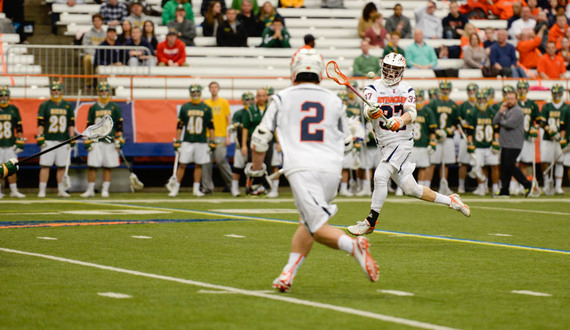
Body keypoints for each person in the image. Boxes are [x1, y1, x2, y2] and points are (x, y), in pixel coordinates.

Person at [245, 48, 380, 292]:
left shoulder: (282, 98)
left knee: (317, 228)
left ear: (294, 71)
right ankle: (288, 273)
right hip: (332, 170)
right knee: (307, 222)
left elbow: (260, 138)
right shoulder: (334, 101)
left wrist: (256, 174)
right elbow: (347, 143)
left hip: (301, 168)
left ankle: (354, 247)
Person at [346, 53, 470, 237]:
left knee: (380, 176)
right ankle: (452, 201)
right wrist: (372, 112)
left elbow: (411, 113)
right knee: (411, 189)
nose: (390, 72)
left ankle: (370, 221)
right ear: (382, 67)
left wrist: (399, 121)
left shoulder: (406, 88)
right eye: (388, 67)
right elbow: (367, 111)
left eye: (395, 69)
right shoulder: (373, 87)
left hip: (402, 141)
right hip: (384, 145)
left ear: (401, 71)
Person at [169, 84, 214, 197]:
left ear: (200, 93)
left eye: (197, 92)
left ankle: (196, 189)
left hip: (201, 140)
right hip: (187, 140)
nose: (195, 94)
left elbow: (211, 126)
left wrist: (212, 141)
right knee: (182, 164)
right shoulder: (185, 107)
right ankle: (176, 188)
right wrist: (178, 140)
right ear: (190, 93)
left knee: (199, 165)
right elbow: (180, 125)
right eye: (193, 92)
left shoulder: (206, 108)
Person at [81, 82, 124, 198]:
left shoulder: (114, 107)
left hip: (109, 140)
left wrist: (119, 138)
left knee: (108, 165)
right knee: (92, 165)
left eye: (105, 91)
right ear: (98, 92)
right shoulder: (93, 107)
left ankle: (105, 189)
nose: (104, 93)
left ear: (109, 92)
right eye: (101, 91)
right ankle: (90, 189)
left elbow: (119, 125)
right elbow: (89, 125)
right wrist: (88, 139)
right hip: (96, 140)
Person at [36, 81, 75, 198]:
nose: (56, 92)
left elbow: (71, 124)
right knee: (45, 165)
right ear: (51, 91)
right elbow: (40, 123)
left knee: (62, 166)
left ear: (61, 91)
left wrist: (71, 137)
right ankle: (42, 190)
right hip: (48, 139)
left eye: (58, 90)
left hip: (63, 139)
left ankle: (61, 190)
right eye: (54, 90)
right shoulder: (45, 105)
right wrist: (40, 136)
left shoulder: (67, 106)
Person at [493, 86, 534, 198]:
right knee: (504, 166)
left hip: (514, 143)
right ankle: (504, 190)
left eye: (512, 99)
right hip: (505, 143)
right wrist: (501, 111)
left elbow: (509, 124)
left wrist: (501, 119)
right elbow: (495, 121)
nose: (509, 101)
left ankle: (527, 183)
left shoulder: (518, 111)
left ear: (516, 100)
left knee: (509, 165)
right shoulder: (505, 110)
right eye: (508, 98)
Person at [426, 80, 459, 195]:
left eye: (447, 89)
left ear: (450, 90)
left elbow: (457, 122)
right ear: (440, 89)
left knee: (446, 164)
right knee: (432, 163)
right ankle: (427, 186)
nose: (445, 91)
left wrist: (450, 130)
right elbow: (428, 119)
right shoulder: (433, 103)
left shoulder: (453, 105)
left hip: (448, 138)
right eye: (443, 89)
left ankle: (443, 185)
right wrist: (435, 131)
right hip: (436, 137)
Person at [465, 91, 500, 196]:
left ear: (486, 99)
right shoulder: (472, 112)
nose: (481, 101)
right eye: (479, 99)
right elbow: (469, 131)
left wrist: (496, 141)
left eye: (483, 99)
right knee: (479, 167)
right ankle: (482, 187)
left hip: (490, 144)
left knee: (494, 166)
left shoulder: (492, 112)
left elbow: (497, 129)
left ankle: (495, 187)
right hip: (478, 145)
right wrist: (470, 143)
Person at [202, 81, 233, 194]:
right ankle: (207, 187)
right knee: (206, 163)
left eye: (215, 87)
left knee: (221, 160)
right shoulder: (205, 103)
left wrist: (228, 136)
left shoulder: (224, 102)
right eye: (212, 87)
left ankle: (232, 184)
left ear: (218, 89)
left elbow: (229, 119)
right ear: (209, 89)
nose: (214, 89)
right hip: (207, 136)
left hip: (221, 135)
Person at [230, 92, 262, 196]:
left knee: (253, 168)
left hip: (254, 143)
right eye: (247, 99)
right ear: (243, 100)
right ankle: (234, 188)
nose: (249, 102)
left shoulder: (256, 112)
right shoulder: (239, 113)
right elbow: (234, 125)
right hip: (241, 143)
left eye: (251, 99)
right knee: (237, 167)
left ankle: (250, 188)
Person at [538, 84, 567, 195]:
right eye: (554, 93)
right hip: (548, 138)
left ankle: (558, 186)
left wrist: (563, 136)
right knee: (545, 161)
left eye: (558, 93)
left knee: (560, 161)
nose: (556, 95)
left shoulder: (566, 108)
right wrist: (549, 130)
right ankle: (547, 184)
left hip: (560, 139)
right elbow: (542, 121)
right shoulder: (547, 107)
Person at [0, 86, 25, 198]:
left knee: (12, 167)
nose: (4, 98)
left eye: (5, 95)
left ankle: (14, 190)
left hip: (10, 144)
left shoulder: (14, 109)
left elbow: (18, 127)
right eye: (1, 95)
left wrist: (19, 140)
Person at [409, 89, 437, 190]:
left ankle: (420, 187)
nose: (418, 99)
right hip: (410, 144)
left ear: (423, 98)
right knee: (406, 168)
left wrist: (432, 143)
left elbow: (432, 130)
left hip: (423, 144)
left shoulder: (427, 111)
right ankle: (403, 188)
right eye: (416, 97)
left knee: (423, 167)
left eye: (419, 97)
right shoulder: (408, 110)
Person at [456, 83, 478, 194]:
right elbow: (459, 122)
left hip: (479, 139)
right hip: (465, 138)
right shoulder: (464, 106)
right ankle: (461, 186)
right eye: (470, 91)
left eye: (473, 90)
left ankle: (481, 187)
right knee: (463, 163)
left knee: (479, 163)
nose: (472, 93)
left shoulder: (480, 105)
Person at [82, 14, 106, 83]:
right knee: (87, 59)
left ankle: (101, 83)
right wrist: (95, 53)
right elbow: (85, 46)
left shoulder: (106, 34)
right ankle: (88, 82)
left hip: (103, 54)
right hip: (91, 53)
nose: (97, 22)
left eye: (98, 20)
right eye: (95, 21)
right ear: (93, 22)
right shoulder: (88, 33)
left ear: (102, 22)